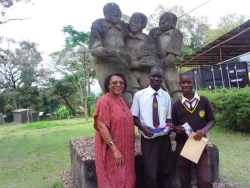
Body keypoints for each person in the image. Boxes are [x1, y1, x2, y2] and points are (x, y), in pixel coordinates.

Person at [130, 65, 173, 188]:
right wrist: (143, 128)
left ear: (162, 78)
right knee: (151, 174)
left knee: (165, 171)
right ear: (148, 77)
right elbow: (134, 116)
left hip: (164, 139)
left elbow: (168, 118)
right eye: (153, 76)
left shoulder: (166, 96)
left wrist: (169, 126)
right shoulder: (139, 95)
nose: (156, 79)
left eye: (159, 76)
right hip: (148, 140)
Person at [172, 72, 215, 188]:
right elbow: (174, 125)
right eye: (183, 82)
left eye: (189, 82)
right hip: (182, 144)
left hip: (198, 143)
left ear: (193, 83)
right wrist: (177, 129)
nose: (186, 85)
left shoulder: (204, 101)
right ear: (179, 84)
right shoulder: (176, 105)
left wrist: (204, 130)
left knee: (204, 180)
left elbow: (212, 120)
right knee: (184, 178)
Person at [89, 3, 136, 107]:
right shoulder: (98, 24)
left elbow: (136, 36)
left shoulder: (123, 26)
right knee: (112, 98)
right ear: (105, 14)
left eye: (118, 12)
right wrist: (116, 53)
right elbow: (94, 50)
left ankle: (127, 122)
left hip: (122, 65)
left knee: (128, 99)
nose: (116, 15)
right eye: (112, 12)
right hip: (105, 64)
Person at [93, 72, 136, 188]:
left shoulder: (121, 100)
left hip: (126, 152)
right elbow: (102, 127)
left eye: (121, 83)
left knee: (127, 180)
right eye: (114, 82)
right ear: (108, 85)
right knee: (113, 181)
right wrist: (115, 149)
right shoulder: (103, 101)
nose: (118, 85)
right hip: (112, 151)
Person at [149, 12, 183, 102]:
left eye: (166, 20)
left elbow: (171, 58)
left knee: (177, 93)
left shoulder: (176, 33)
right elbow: (149, 52)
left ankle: (176, 113)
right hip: (154, 68)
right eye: (161, 19)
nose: (162, 22)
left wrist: (157, 64)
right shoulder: (153, 32)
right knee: (158, 93)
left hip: (169, 68)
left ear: (173, 23)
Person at [125, 12, 161, 91]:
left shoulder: (148, 40)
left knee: (154, 90)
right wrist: (137, 64)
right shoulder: (124, 37)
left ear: (143, 25)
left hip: (144, 72)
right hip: (128, 72)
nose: (132, 23)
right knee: (133, 92)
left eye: (136, 21)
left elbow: (154, 61)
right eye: (131, 20)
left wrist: (147, 62)